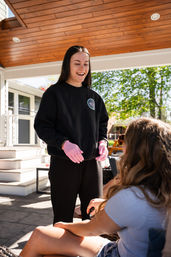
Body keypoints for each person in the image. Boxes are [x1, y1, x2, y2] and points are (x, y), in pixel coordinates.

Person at [20, 117, 171, 257]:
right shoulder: (162, 191)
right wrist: (107, 205)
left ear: (135, 151)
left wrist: (64, 225)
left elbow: (91, 228)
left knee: (41, 234)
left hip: (117, 253)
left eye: (126, 140)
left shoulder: (131, 197)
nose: (123, 146)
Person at [34, 45, 109, 223]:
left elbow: (102, 125)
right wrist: (64, 143)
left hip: (92, 165)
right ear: (67, 65)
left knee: (94, 217)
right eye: (77, 63)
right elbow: (42, 126)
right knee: (62, 217)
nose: (82, 68)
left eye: (86, 63)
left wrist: (103, 142)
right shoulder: (54, 93)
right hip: (63, 165)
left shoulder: (94, 97)